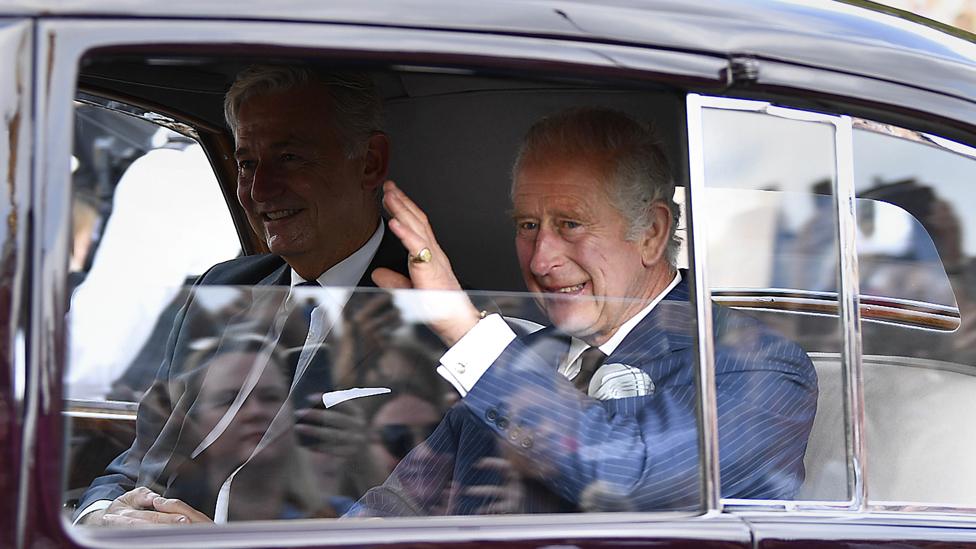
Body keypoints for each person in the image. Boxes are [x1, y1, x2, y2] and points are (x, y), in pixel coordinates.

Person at [353, 107, 818, 515]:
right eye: (528, 225)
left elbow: (629, 480)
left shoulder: (757, 365)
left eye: (571, 224)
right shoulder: (518, 359)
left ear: (652, 234)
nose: (540, 260)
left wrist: (464, 330)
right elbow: (399, 507)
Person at [74, 65, 406, 525]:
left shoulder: (438, 315)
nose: (260, 189)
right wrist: (97, 517)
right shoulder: (222, 289)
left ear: (369, 162)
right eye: (248, 163)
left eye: (289, 157)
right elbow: (138, 463)